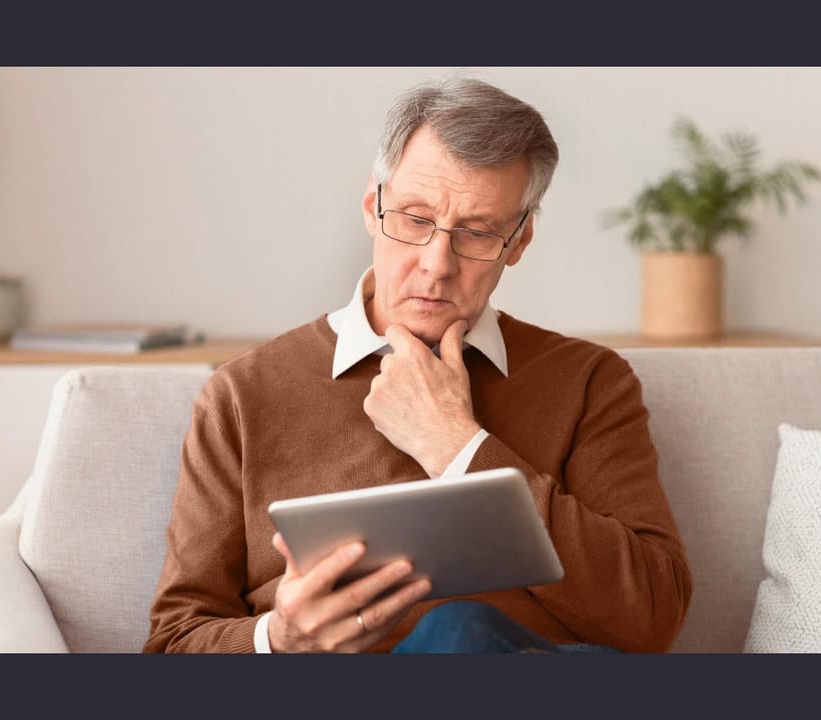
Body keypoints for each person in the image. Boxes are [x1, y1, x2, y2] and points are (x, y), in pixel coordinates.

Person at [144, 77, 692, 654]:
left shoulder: (588, 382)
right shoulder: (243, 394)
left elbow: (651, 617)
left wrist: (455, 446)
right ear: (371, 207)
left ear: (520, 239)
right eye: (412, 219)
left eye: (477, 232)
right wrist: (278, 640)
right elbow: (174, 641)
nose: (436, 265)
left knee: (459, 633)